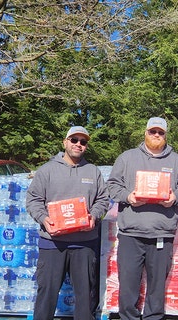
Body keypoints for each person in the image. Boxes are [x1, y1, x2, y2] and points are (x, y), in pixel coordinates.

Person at [107, 117, 178, 320]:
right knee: (128, 284)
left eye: (160, 132)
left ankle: (153, 317)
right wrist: (128, 197)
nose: (156, 135)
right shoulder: (127, 158)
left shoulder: (177, 161)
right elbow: (112, 186)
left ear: (165, 136)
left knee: (156, 286)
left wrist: (174, 198)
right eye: (152, 131)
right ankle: (128, 317)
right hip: (131, 234)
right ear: (145, 133)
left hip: (161, 235)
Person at [26, 126, 109, 320]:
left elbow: (103, 200)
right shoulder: (47, 170)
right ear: (65, 142)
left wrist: (94, 216)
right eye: (74, 140)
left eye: (83, 142)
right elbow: (33, 200)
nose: (78, 144)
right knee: (47, 293)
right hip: (53, 243)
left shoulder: (93, 171)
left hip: (84, 243)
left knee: (85, 297)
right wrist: (43, 218)